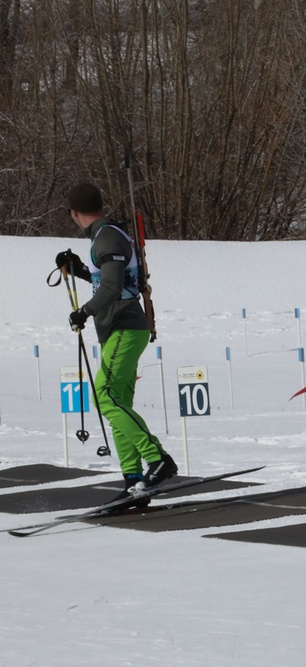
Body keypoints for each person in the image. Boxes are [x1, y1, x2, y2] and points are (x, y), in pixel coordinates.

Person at [56, 182, 176, 497]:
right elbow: (111, 280)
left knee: (105, 397)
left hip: (124, 326)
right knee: (118, 402)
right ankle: (133, 479)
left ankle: (158, 460)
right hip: (121, 329)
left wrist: (83, 312)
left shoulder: (107, 237)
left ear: (73, 213)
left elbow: (111, 288)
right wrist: (81, 270)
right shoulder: (107, 235)